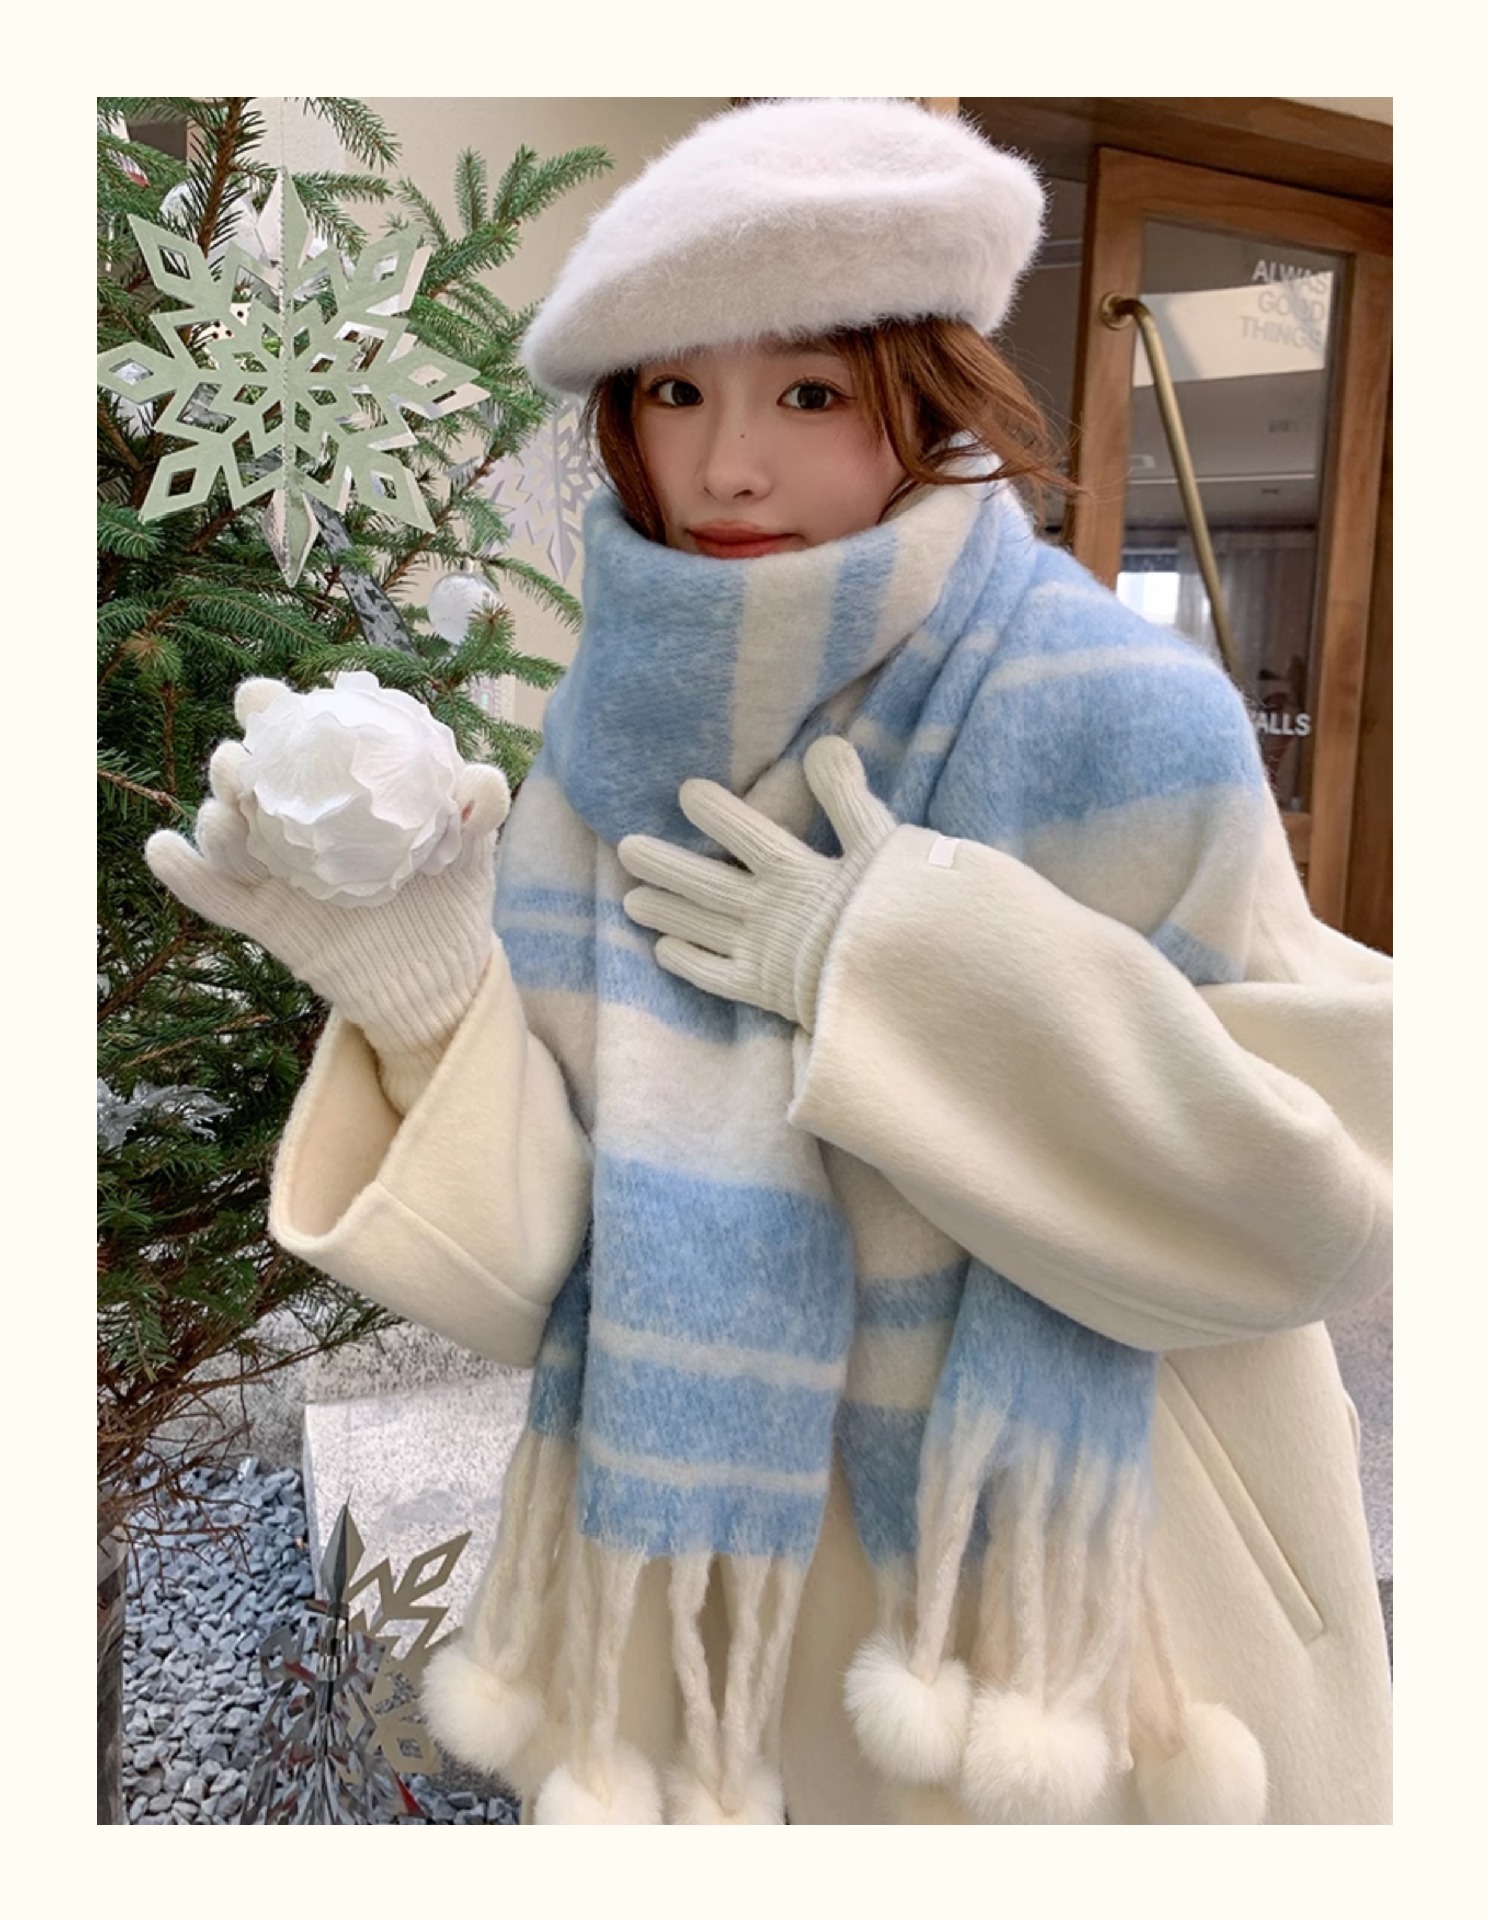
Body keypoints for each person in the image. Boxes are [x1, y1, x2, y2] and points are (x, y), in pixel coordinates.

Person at [145, 98, 1392, 1824]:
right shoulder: (602, 750)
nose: (726, 466)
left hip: (1110, 1623)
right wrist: (423, 1000)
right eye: (675, 391)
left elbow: (1315, 1214)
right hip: (742, 1646)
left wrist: (903, 970)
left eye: (809, 392)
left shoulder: (1128, 713)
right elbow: (544, 1275)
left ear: (925, 397)